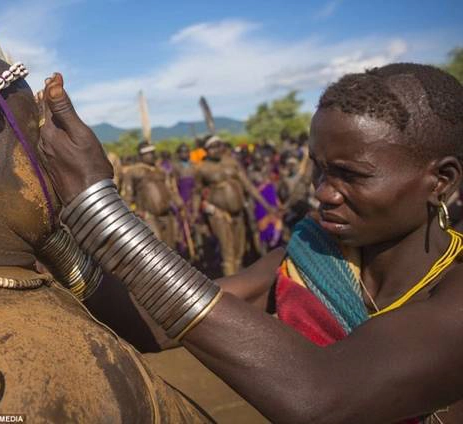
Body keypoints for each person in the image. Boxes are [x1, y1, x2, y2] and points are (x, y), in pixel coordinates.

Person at [40, 63, 463, 423]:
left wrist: (98, 208)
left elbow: (321, 396)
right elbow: (154, 327)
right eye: (319, 170)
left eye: (351, 175)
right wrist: (50, 232)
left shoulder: (455, 293)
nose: (323, 192)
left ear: (440, 181)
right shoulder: (310, 256)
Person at [0, 39, 211, 421]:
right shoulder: (36, 370)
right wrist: (99, 200)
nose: (51, 151)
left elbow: (151, 323)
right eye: (36, 132)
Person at [193, 135, 277, 276]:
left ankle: (238, 282)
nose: (216, 149)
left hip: (239, 213)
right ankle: (232, 288)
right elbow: (197, 192)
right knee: (228, 253)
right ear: (206, 150)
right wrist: (195, 213)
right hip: (219, 215)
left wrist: (267, 206)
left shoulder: (232, 162)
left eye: (218, 145)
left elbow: (249, 186)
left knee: (239, 251)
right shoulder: (202, 168)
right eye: (212, 147)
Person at [121, 141, 184, 248]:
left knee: (172, 249)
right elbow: (126, 199)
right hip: (149, 217)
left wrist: (180, 204)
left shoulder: (161, 171)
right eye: (148, 153)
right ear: (140, 155)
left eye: (153, 152)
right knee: (158, 250)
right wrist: (139, 213)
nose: (152, 155)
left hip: (167, 215)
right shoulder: (133, 172)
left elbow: (170, 190)